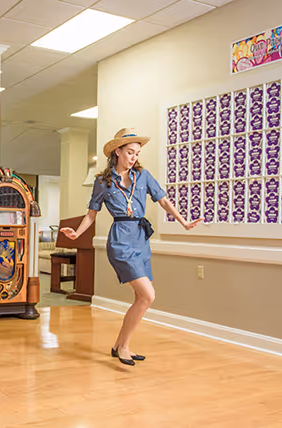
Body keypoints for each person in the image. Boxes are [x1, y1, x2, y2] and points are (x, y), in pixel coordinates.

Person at [61, 128, 201, 366]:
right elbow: (91, 215)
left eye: (137, 153)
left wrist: (183, 222)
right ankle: (123, 346)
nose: (134, 157)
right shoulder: (103, 182)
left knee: (141, 297)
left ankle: (119, 345)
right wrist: (77, 233)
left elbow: (163, 199)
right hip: (121, 241)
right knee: (148, 295)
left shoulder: (143, 176)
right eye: (129, 152)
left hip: (141, 238)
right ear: (118, 151)